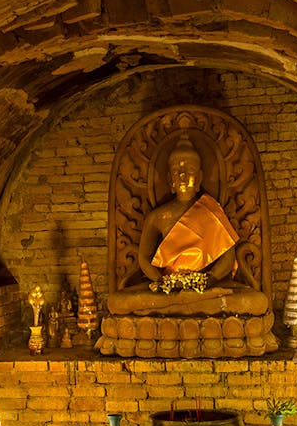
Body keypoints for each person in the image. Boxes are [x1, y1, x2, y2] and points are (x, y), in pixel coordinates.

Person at [107, 135, 267, 316]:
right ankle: (186, 307)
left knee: (256, 302)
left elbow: (228, 259)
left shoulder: (211, 212)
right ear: (170, 180)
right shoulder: (157, 216)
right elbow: (144, 258)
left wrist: (208, 280)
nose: (182, 175)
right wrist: (162, 281)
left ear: (198, 178)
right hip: (168, 288)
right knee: (116, 302)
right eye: (177, 170)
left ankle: (179, 309)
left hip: (205, 286)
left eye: (189, 170)